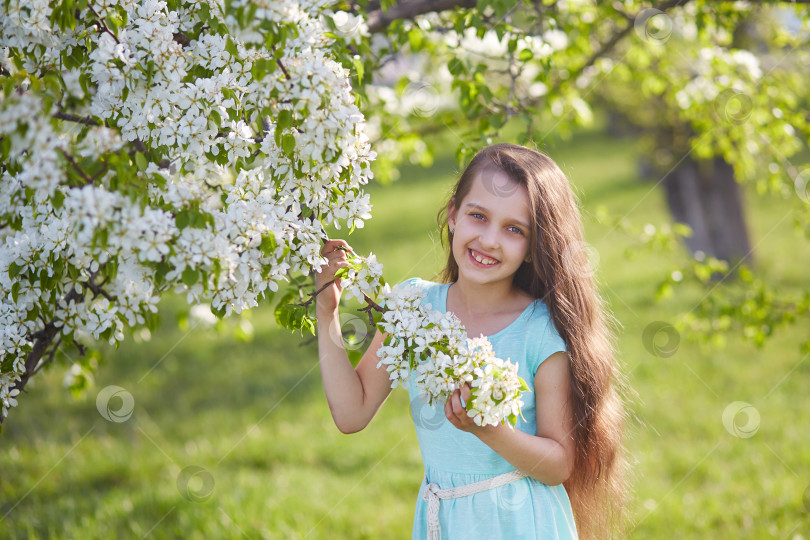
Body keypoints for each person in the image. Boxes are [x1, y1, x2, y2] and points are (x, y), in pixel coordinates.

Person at [315, 144, 627, 539]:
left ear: (534, 247)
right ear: (453, 215)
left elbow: (559, 464)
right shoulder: (413, 306)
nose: (490, 240)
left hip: (521, 523)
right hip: (445, 519)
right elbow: (351, 413)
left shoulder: (538, 330)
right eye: (478, 216)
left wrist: (492, 430)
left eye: (515, 229)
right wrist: (327, 312)